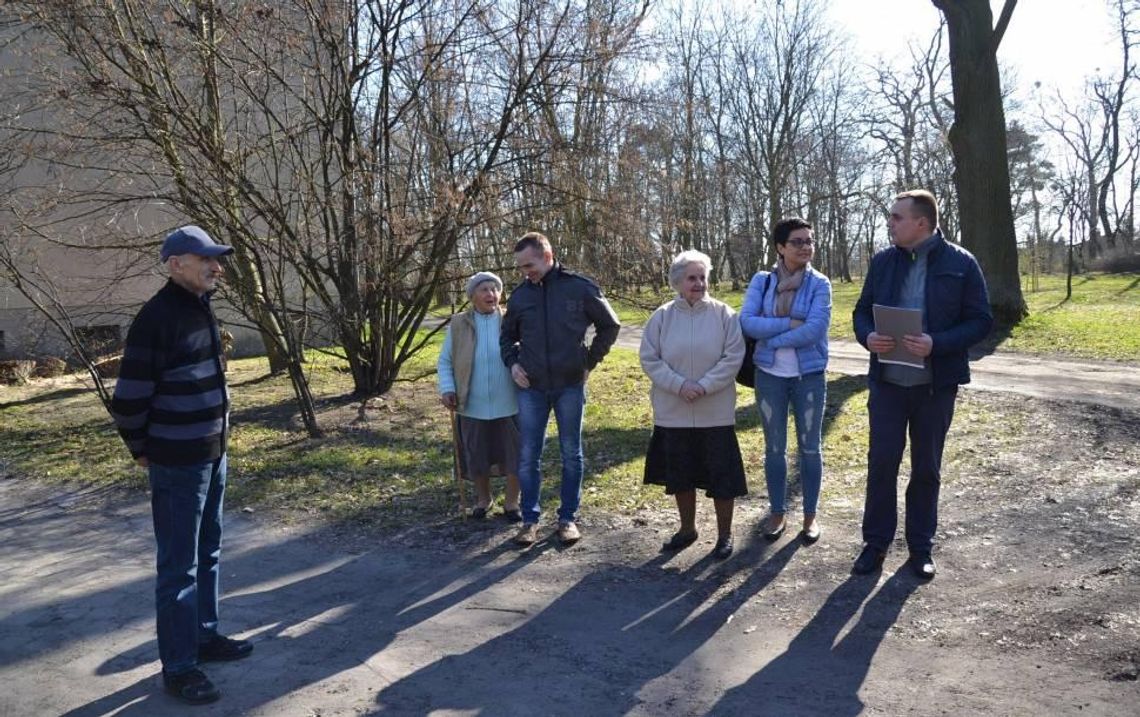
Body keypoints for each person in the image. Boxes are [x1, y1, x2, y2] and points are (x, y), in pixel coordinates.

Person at [110, 225, 253, 705]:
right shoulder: (158, 318)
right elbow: (128, 398)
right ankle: (179, 666)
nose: (217, 266)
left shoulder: (200, 309)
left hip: (214, 453)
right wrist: (141, 447)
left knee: (208, 550)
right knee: (179, 566)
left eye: (218, 258)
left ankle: (204, 637)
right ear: (176, 264)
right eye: (206, 258)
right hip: (178, 463)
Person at [851, 190, 993, 580]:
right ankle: (875, 545)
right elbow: (862, 311)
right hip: (887, 386)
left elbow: (981, 321)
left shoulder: (961, 263)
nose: (890, 223)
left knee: (926, 468)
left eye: (897, 217)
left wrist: (937, 343)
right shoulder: (882, 262)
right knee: (882, 464)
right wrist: (868, 337)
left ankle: (920, 548)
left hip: (935, 386)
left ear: (922, 223)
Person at [500, 232, 621, 546]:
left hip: (569, 385)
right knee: (528, 457)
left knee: (571, 454)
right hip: (531, 387)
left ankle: (567, 519)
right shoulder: (519, 296)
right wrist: (513, 364)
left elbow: (611, 325)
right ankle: (529, 521)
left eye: (530, 264)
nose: (526, 272)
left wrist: (589, 361)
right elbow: (506, 337)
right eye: (521, 267)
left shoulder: (579, 287)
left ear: (548, 255)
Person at [640, 250, 747, 559]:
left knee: (721, 478)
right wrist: (679, 385)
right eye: (692, 277)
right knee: (681, 475)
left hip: (716, 412)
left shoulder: (725, 314)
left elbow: (733, 357)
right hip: (673, 413)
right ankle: (687, 529)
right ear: (677, 282)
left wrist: (703, 385)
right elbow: (649, 358)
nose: (699, 283)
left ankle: (724, 536)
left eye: (703, 277)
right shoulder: (661, 317)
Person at [740, 217, 832, 545]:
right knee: (774, 449)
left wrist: (774, 337)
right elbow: (748, 323)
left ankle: (810, 517)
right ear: (780, 247)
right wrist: (791, 324)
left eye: (809, 240)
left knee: (810, 448)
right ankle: (777, 513)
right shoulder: (762, 281)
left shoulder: (820, 283)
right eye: (798, 241)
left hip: (809, 377)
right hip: (769, 377)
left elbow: (815, 329)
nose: (806, 246)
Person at [437, 271, 522, 521]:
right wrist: (447, 388)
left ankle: (512, 503)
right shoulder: (459, 324)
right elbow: (445, 361)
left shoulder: (511, 320)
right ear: (472, 296)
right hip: (471, 402)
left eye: (495, 289)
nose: (491, 294)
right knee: (477, 454)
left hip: (510, 401)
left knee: (515, 453)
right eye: (484, 289)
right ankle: (483, 500)